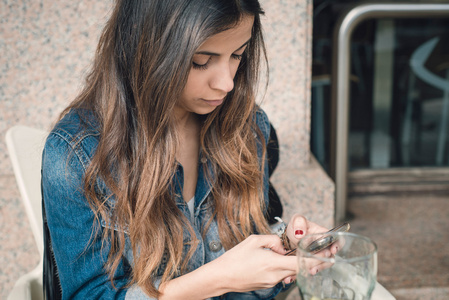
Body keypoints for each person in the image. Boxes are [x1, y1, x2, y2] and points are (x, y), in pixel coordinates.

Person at [41, 0, 337, 299]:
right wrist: (217, 279)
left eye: (237, 55)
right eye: (201, 61)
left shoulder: (246, 127)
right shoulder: (76, 154)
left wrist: (286, 249)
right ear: (146, 50)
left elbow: (249, 284)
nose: (227, 83)